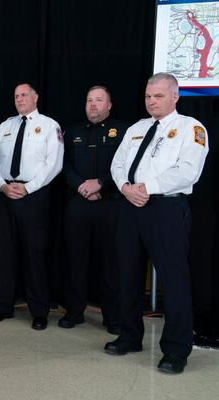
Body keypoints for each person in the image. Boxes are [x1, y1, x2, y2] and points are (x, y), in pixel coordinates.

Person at [107, 72, 208, 374]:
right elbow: (118, 163)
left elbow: (188, 171)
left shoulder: (191, 127)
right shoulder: (137, 128)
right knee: (127, 275)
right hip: (130, 206)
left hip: (166, 209)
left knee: (174, 281)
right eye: (148, 96)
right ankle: (129, 336)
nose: (152, 101)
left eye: (159, 96)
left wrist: (145, 188)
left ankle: (176, 350)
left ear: (175, 96)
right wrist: (126, 187)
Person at [0, 83, 63, 330]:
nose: (19, 99)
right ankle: (3, 306)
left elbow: (54, 163)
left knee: (35, 254)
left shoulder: (50, 126)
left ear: (35, 97)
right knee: (5, 253)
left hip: (34, 196)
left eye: (24, 95)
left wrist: (28, 188)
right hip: (6, 193)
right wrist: (1, 185)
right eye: (16, 95)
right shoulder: (6, 126)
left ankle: (38, 311)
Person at [59, 86, 129, 334]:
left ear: (109, 105)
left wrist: (100, 183)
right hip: (79, 204)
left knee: (110, 263)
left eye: (99, 100)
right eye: (89, 100)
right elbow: (64, 164)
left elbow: (126, 164)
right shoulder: (73, 131)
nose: (93, 105)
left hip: (110, 204)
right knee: (75, 261)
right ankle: (74, 312)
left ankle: (112, 317)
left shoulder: (123, 131)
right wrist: (81, 186)